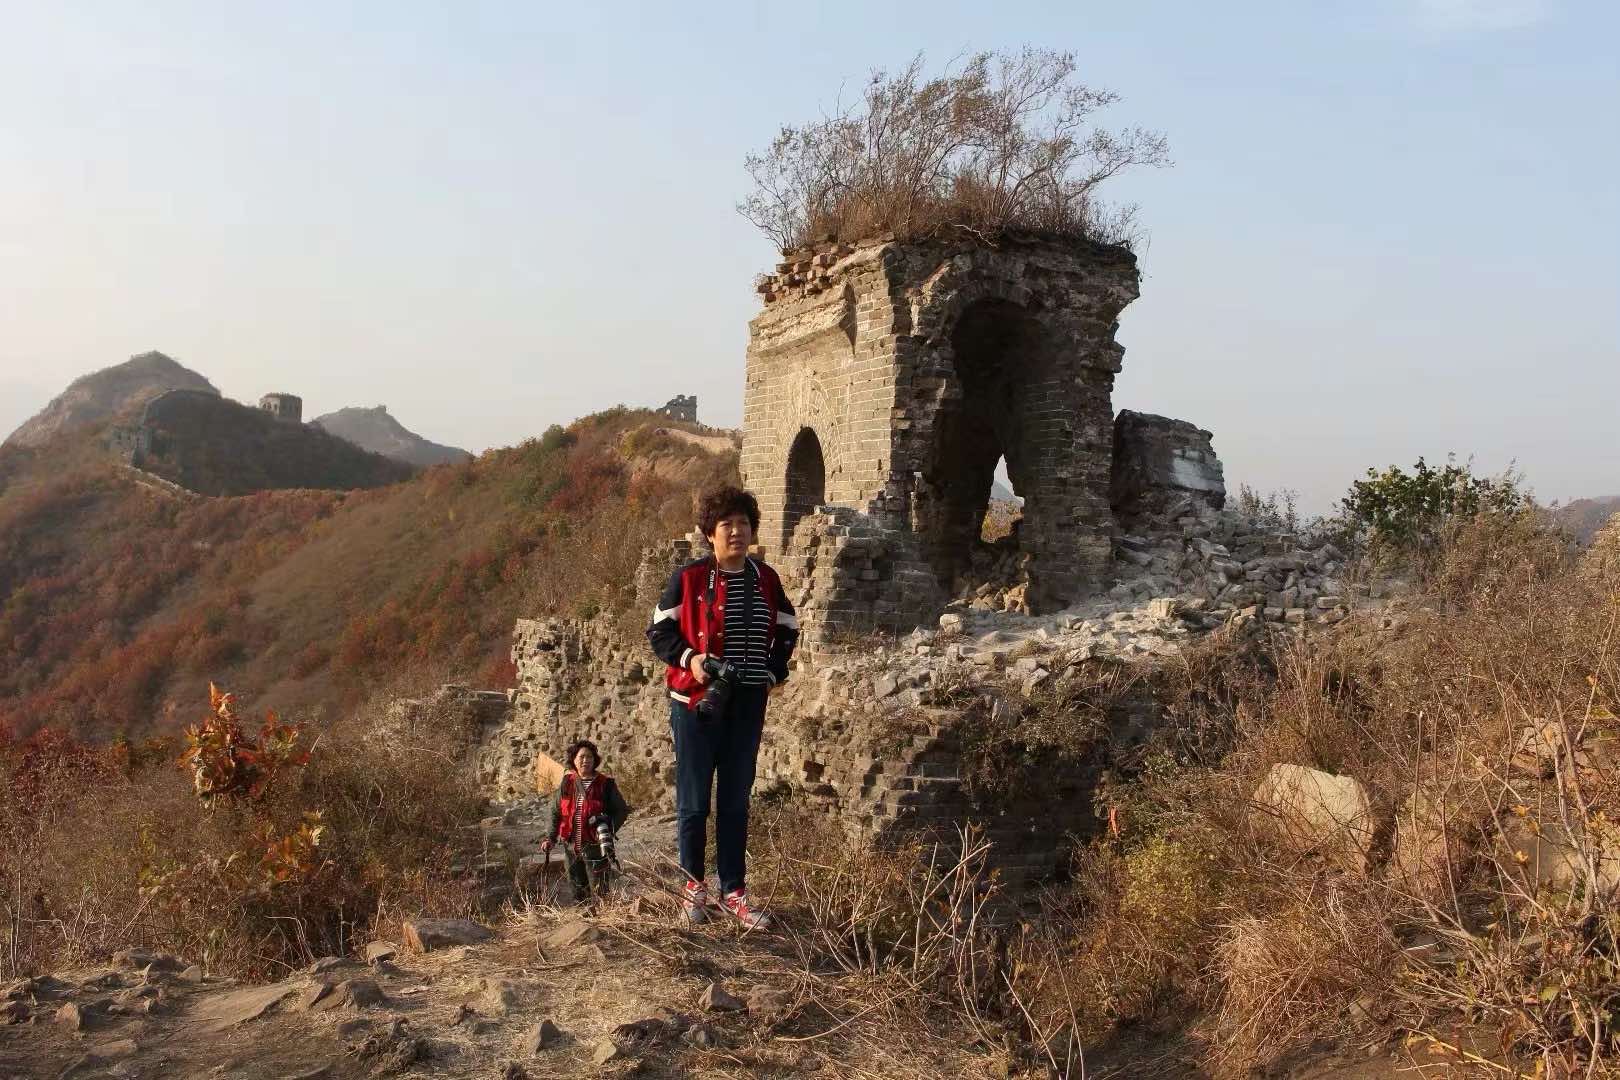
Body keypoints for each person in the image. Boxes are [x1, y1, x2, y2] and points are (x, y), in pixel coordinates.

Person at [647, 486, 798, 928]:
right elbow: (659, 631)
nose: (736, 531)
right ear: (710, 533)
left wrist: (773, 672)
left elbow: (788, 628)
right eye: (726, 524)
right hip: (698, 702)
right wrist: (690, 660)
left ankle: (734, 893)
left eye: (743, 523)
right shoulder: (690, 577)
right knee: (694, 802)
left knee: (735, 801)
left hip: (747, 703)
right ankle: (693, 888)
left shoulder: (765, 578)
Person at [539, 740, 631, 903]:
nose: (585, 760)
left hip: (595, 848)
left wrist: (607, 829)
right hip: (571, 847)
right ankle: (582, 915)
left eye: (589, 757)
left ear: (595, 760)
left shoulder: (605, 784)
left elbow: (621, 810)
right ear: (573, 759)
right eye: (581, 757)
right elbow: (555, 811)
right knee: (578, 893)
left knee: (601, 893)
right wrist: (550, 838)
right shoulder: (567, 783)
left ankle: (602, 917)